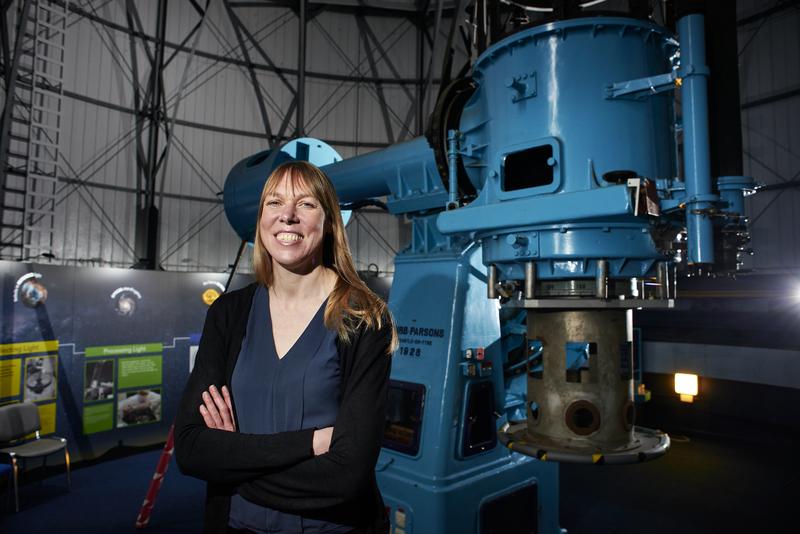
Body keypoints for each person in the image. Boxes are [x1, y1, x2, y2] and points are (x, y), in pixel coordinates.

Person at [175, 160, 396, 534]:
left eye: (306, 204)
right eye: (274, 203)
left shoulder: (364, 318)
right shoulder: (228, 314)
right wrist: (312, 442)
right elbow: (192, 448)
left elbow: (346, 476)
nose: (287, 216)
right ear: (260, 220)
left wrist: (233, 460)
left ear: (328, 223)